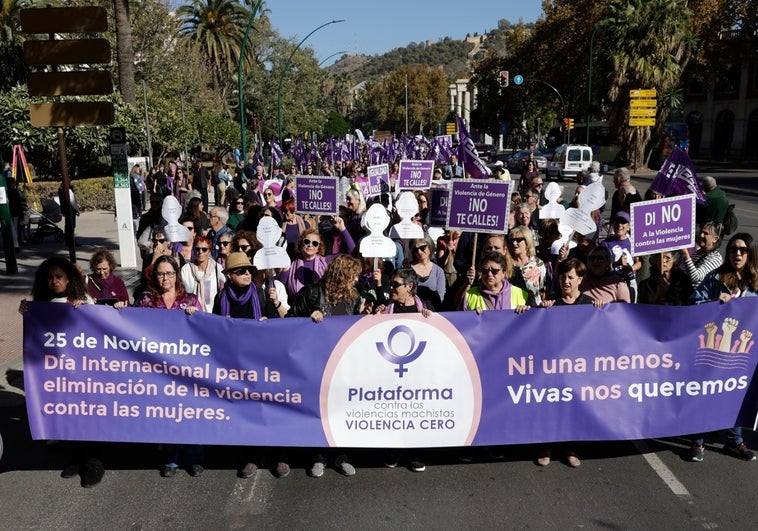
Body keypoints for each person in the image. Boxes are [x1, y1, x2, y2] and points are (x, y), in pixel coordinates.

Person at [19, 257, 103, 487]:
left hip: (83, 372)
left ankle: (93, 463)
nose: (54, 281)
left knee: (87, 418)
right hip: (58, 375)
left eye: (59, 276)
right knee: (68, 417)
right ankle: (76, 459)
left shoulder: (81, 300)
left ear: (68, 278)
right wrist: (26, 313)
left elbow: (96, 330)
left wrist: (85, 309)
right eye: (50, 277)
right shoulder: (42, 304)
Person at [287, 255, 364, 477]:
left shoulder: (352, 297)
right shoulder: (312, 292)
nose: (356, 280)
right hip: (316, 363)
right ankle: (319, 456)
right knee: (320, 411)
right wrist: (308, 317)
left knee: (341, 410)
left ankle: (341, 456)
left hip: (341, 363)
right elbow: (290, 320)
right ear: (342, 275)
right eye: (353, 275)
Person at [687, 232, 758, 462]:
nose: (737, 253)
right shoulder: (716, 278)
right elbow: (694, 302)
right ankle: (698, 440)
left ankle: (734, 440)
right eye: (733, 249)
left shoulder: (756, 283)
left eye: (742, 250)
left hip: (743, 351)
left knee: (736, 394)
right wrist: (716, 302)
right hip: (714, 348)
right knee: (708, 392)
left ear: (750, 253)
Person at [136, 255, 203, 477]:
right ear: (154, 276)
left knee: (190, 413)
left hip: (186, 369)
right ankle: (171, 460)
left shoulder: (190, 300)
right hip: (158, 370)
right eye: (161, 273)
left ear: (177, 275)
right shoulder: (146, 301)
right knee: (166, 414)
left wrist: (196, 317)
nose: (165, 278)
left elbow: (206, 332)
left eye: (169, 273)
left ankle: (193, 458)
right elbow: (131, 327)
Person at [460, 251, 531, 313]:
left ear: (504, 273)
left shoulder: (521, 295)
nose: (489, 274)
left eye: (494, 271)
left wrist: (526, 312)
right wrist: (470, 316)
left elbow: (531, 322)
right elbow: (459, 323)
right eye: (485, 271)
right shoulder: (469, 295)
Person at [180, 235, 225, 313]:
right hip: (192, 313)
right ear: (193, 250)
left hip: (212, 315)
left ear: (209, 251)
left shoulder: (217, 268)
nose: (200, 252)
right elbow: (182, 293)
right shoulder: (186, 269)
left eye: (204, 249)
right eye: (197, 249)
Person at [682, 221, 724, 304]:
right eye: (701, 232)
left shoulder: (715, 258)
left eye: (706, 233)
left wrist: (685, 254)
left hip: (697, 302)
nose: (701, 235)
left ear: (715, 239)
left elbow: (695, 277)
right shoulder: (699, 253)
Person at [507, 226, 546, 304]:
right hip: (513, 310)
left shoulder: (538, 264)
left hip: (534, 309)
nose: (514, 243)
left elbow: (543, 290)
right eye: (512, 240)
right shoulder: (506, 264)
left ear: (527, 242)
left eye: (518, 240)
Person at [409, 236, 446, 309]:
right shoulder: (407, 269)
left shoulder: (438, 271)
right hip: (412, 312)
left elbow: (440, 297)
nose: (419, 252)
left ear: (430, 246)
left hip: (432, 311)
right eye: (416, 249)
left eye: (422, 248)